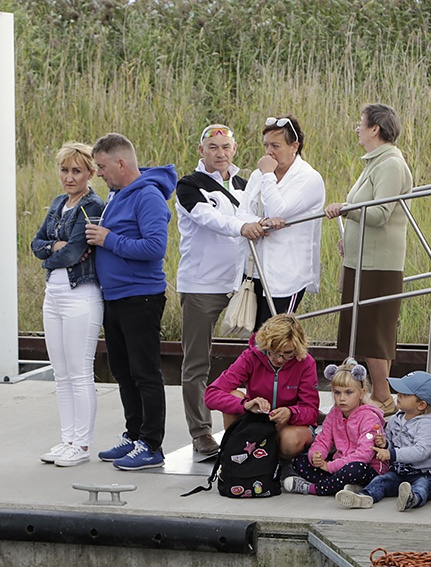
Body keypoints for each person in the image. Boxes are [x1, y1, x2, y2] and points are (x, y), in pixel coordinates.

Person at [85, 133, 176, 471]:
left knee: (144, 371)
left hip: (141, 296)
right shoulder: (117, 195)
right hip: (116, 297)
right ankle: (134, 433)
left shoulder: (148, 196)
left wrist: (109, 239)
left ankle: (152, 444)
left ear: (121, 163)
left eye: (102, 166)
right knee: (122, 370)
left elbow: (155, 247)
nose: (99, 173)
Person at [176, 124, 268, 456]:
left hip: (241, 283)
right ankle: (201, 432)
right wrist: (244, 226)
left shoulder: (245, 185)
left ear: (234, 148)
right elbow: (209, 219)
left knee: (260, 354)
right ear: (201, 151)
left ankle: (261, 420)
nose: (220, 153)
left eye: (225, 147)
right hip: (202, 285)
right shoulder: (188, 186)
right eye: (212, 147)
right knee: (196, 361)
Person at [324, 104, 413, 416]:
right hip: (362, 260)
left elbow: (380, 213)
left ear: (375, 128)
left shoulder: (390, 163)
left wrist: (345, 209)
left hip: (379, 264)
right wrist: (348, 236)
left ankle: (384, 397)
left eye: (360, 124)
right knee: (365, 331)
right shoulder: (374, 163)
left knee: (373, 334)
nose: (357, 129)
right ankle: (381, 393)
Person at [30, 142, 106, 467]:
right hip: (54, 296)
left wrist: (51, 254)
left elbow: (73, 253)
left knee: (79, 373)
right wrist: (53, 248)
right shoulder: (59, 202)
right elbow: (36, 243)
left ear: (90, 173)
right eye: (65, 170)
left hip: (81, 296)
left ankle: (82, 444)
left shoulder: (92, 206)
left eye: (77, 171)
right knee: (60, 374)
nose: (69, 177)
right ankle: (67, 439)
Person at [240, 115, 325, 328]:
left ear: (294, 146)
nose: (269, 152)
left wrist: (268, 173)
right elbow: (241, 212)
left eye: (276, 145)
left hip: (287, 275)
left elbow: (280, 209)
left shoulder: (308, 178)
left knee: (275, 339)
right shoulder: (257, 176)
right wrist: (260, 221)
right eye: (266, 145)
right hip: (256, 270)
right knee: (256, 340)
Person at [204, 314, 320, 458]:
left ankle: (280, 464)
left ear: (297, 348)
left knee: (290, 441)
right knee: (234, 395)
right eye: (273, 352)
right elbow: (211, 394)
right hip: (256, 420)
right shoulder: (251, 357)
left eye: (288, 353)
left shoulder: (305, 362)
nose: (279, 359)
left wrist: (290, 413)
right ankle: (234, 452)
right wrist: (245, 405)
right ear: (265, 345)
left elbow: (311, 411)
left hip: (289, 424)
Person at [335, 371, 431, 511]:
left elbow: (421, 452)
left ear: (421, 405)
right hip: (399, 473)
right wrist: (385, 444)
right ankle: (364, 496)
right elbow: (392, 444)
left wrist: (391, 453)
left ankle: (412, 499)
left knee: (423, 486)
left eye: (405, 394)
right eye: (399, 392)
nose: (398, 395)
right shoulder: (395, 419)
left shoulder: (428, 425)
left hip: (424, 474)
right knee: (382, 480)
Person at [282, 359, 387, 496]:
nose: (342, 398)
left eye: (349, 392)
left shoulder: (369, 417)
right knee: (300, 461)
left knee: (354, 469)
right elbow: (323, 439)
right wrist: (316, 455)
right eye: (337, 393)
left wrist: (330, 466)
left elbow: (364, 456)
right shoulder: (334, 413)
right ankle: (342, 485)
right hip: (339, 465)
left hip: (366, 469)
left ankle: (315, 489)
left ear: (361, 393)